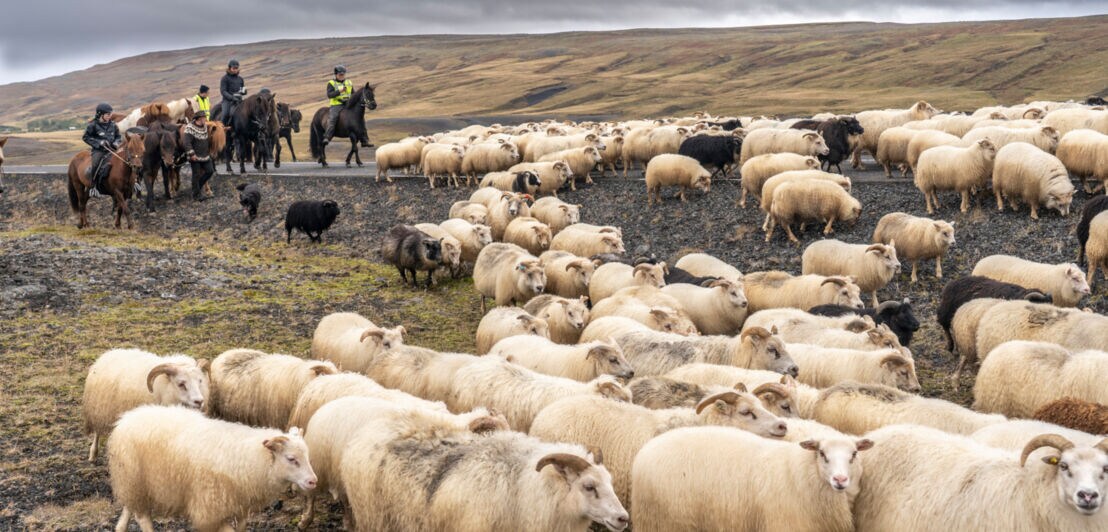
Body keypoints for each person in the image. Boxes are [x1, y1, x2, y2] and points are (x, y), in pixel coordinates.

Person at [82, 103, 121, 198]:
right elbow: (86, 137)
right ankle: (93, 186)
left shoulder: (113, 125)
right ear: (100, 114)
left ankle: (135, 182)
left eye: (110, 114)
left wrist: (116, 143)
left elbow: (118, 137)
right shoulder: (93, 125)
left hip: (113, 149)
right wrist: (99, 143)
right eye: (108, 114)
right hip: (99, 150)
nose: (110, 116)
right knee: (95, 164)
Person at [182, 110, 215, 201]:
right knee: (196, 175)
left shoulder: (204, 126)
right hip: (195, 157)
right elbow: (187, 143)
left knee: (210, 171)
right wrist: (191, 154)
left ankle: (196, 188)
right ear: (199, 118)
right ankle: (196, 196)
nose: (206, 119)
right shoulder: (190, 128)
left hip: (205, 155)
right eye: (204, 117)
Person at [322, 65, 352, 146]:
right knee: (333, 118)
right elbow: (329, 95)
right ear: (336, 75)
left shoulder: (349, 82)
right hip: (336, 105)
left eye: (343, 74)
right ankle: (327, 137)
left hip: (347, 104)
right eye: (340, 74)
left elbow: (353, 93)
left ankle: (364, 138)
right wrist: (339, 91)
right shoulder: (331, 83)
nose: (342, 76)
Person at [219, 59, 245, 125]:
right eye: (234, 68)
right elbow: (223, 91)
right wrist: (232, 98)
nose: (235, 70)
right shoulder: (225, 78)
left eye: (236, 68)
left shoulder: (240, 79)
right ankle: (222, 127)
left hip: (239, 100)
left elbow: (242, 90)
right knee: (225, 114)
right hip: (227, 101)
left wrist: (244, 91)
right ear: (230, 68)